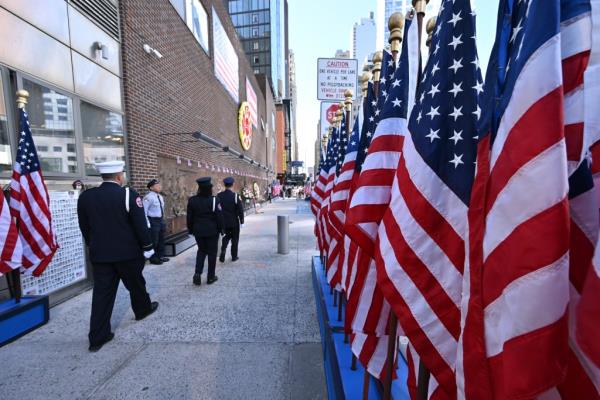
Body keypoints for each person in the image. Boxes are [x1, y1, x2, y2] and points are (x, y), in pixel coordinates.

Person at [77, 161, 159, 352]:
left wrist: (94, 244)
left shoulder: (87, 197)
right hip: (128, 254)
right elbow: (140, 224)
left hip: (101, 255)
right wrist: (147, 246)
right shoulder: (128, 195)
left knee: (102, 294)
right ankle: (142, 310)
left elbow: (84, 226)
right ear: (119, 177)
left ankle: (97, 336)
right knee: (136, 284)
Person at [187, 177, 224, 285]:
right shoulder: (214, 200)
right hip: (212, 231)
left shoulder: (192, 200)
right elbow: (219, 216)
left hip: (198, 231)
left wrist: (190, 230)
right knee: (212, 253)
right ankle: (210, 277)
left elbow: (189, 218)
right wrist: (221, 229)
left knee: (201, 251)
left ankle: (197, 274)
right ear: (209, 188)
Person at [217, 177, 244, 262]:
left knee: (226, 237)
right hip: (234, 222)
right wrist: (242, 221)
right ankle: (234, 256)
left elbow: (217, 210)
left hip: (224, 222)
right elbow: (240, 209)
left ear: (224, 185)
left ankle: (223, 250)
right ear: (232, 185)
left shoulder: (219, 196)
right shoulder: (236, 196)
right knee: (235, 239)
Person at [143, 179, 169, 265]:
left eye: (159, 185)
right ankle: (153, 258)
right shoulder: (148, 197)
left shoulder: (160, 197)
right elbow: (144, 212)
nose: (159, 187)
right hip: (153, 221)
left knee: (161, 239)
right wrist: (148, 224)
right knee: (154, 240)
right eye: (157, 185)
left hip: (160, 220)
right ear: (151, 187)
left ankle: (161, 256)